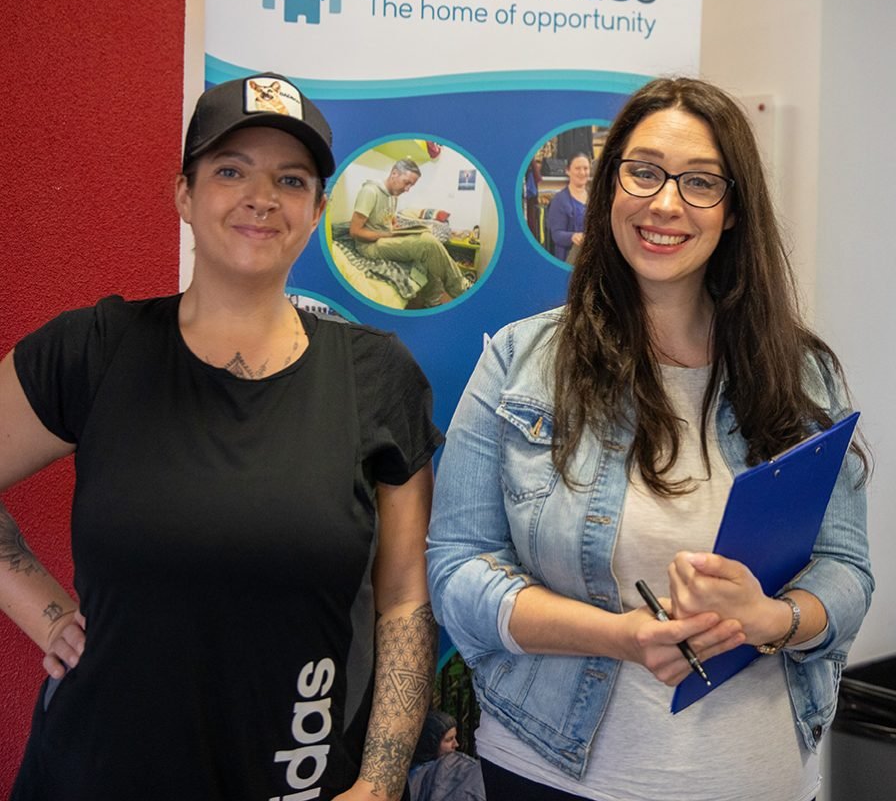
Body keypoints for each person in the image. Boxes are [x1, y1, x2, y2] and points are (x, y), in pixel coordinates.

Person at [427, 77, 872, 801]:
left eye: (700, 182)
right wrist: (619, 636)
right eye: (644, 172)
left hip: (760, 777)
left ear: (733, 210)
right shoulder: (519, 362)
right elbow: (457, 572)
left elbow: (846, 570)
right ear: (610, 188)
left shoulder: (801, 373)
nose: (666, 204)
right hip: (554, 773)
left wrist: (774, 619)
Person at [0, 72, 440, 800]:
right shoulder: (93, 350)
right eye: (231, 171)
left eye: (291, 180)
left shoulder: (375, 376)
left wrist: (382, 781)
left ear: (317, 209)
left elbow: (402, 598)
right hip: (96, 773)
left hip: (293, 773)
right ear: (184, 194)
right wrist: (45, 615)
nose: (261, 197)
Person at [349, 158, 466, 308]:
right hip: (369, 246)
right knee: (427, 243)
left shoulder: (393, 196)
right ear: (394, 173)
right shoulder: (370, 191)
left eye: (411, 185)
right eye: (407, 183)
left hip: (385, 239)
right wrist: (387, 235)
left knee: (428, 250)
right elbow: (354, 231)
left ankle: (432, 302)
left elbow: (390, 221)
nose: (407, 189)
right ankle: (461, 290)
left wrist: (400, 230)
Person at [408, 710, 485, 801]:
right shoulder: (415, 777)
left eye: (454, 738)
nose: (456, 744)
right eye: (449, 740)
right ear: (430, 743)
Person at [546, 151, 591, 262]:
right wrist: (573, 236)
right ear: (568, 171)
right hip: (568, 262)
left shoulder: (594, 198)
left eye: (586, 168)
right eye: (577, 168)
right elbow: (556, 235)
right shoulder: (559, 200)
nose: (582, 172)